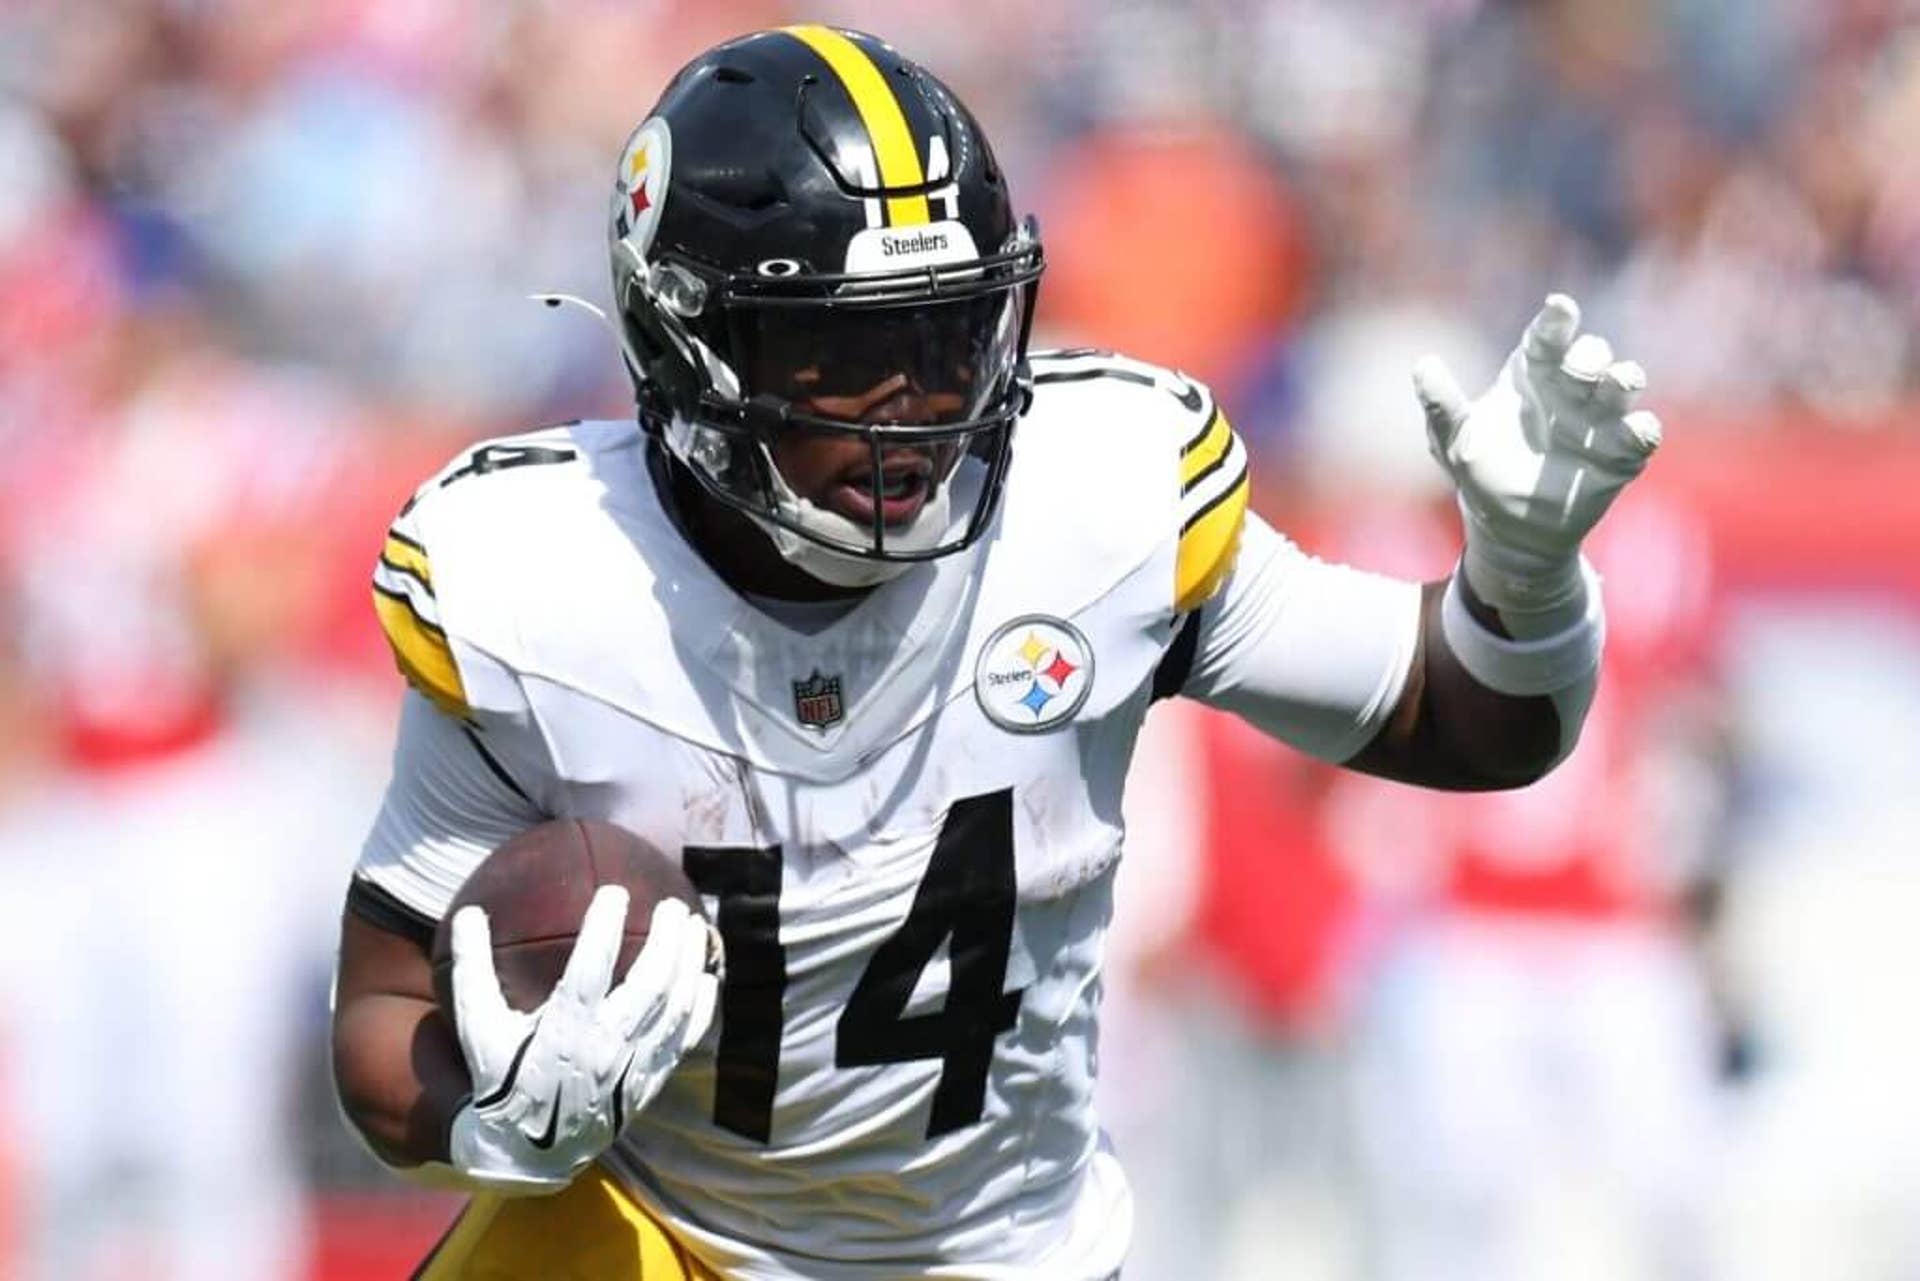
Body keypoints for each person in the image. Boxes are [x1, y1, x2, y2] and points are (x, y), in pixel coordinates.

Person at [330, 25, 1663, 1280]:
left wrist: (1524, 577)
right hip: (663, 1240)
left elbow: (1471, 720)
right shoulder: (540, 579)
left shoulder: (1097, 502)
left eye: (942, 335)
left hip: (1001, 1254)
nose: (913, 405)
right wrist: (491, 1121)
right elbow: (383, 1018)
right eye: (844, 354)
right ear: (690, 345)